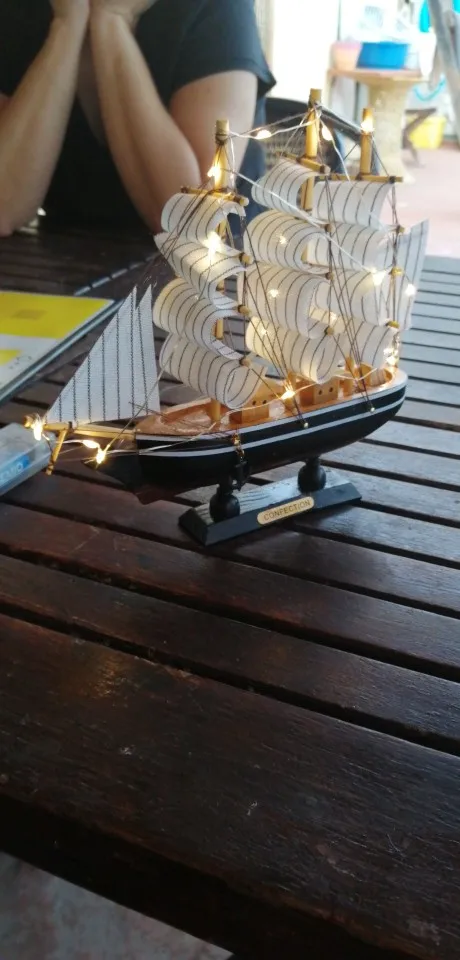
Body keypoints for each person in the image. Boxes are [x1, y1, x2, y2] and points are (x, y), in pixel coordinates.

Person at [0, 0, 275, 236]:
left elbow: (190, 219)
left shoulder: (218, 8)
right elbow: (3, 209)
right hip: (66, 272)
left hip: (220, 272)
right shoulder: (19, 10)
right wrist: (67, 25)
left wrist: (111, 21)